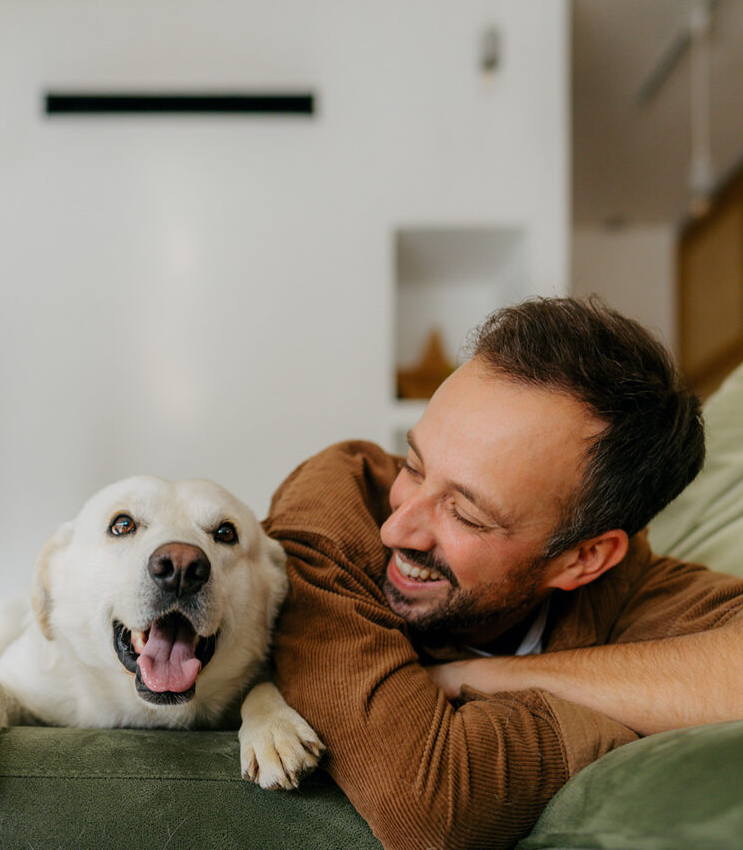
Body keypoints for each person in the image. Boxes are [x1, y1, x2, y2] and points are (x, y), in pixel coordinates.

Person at [264, 297, 743, 850]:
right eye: (414, 467)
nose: (396, 529)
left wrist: (482, 676)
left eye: (467, 515)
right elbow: (433, 808)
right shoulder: (336, 502)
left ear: (584, 559)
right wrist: (616, 722)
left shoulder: (634, 589)